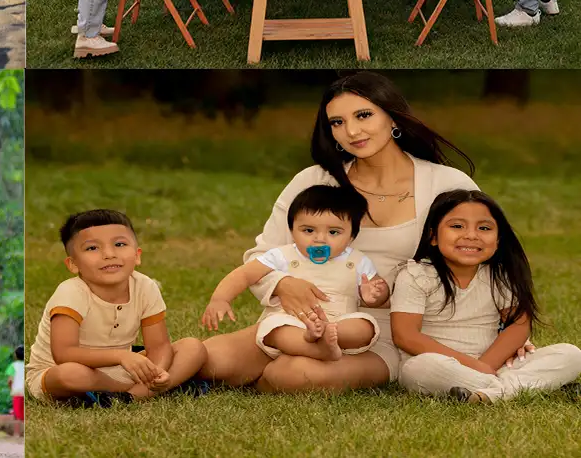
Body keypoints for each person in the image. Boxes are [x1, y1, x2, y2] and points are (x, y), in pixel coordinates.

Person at [198, 72, 529, 394]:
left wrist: (505, 335)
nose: (351, 131)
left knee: (293, 374)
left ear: (394, 118)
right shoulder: (315, 181)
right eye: (337, 122)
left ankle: (265, 372)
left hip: (389, 333)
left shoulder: (448, 185)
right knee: (206, 361)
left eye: (364, 115)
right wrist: (282, 283)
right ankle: (236, 368)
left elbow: (486, 261)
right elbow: (261, 256)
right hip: (299, 322)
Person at [392, 190, 581, 401]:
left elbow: (518, 325)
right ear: (433, 236)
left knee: (571, 354)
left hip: (494, 363)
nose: (472, 235)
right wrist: (475, 366)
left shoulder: (497, 275)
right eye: (457, 226)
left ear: (498, 240)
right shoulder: (416, 275)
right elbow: (405, 336)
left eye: (484, 228)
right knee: (421, 368)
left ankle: (488, 393)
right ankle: (521, 387)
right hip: (440, 365)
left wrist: (487, 365)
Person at [26, 209, 207, 404]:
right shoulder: (71, 293)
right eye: (92, 248)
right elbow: (64, 353)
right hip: (64, 371)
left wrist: (157, 371)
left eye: (120, 244)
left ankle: (129, 397)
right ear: (73, 264)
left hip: (122, 368)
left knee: (193, 348)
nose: (109, 254)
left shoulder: (145, 286)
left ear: (137, 255)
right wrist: (121, 356)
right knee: (70, 374)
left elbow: (159, 346)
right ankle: (144, 391)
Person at [203, 185, 389, 362]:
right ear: (292, 231)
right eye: (308, 230)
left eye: (333, 232)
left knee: (364, 327)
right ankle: (315, 348)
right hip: (292, 321)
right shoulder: (283, 255)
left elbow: (379, 291)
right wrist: (220, 298)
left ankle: (327, 339)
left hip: (338, 323)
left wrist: (373, 295)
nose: (319, 239)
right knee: (277, 330)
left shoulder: (357, 261)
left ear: (351, 237)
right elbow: (244, 274)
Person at [6, 345, 24, 437]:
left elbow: (10, 380)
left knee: (17, 414)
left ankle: (17, 433)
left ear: (15, 356)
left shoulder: (13, 366)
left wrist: (11, 387)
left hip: (17, 392)